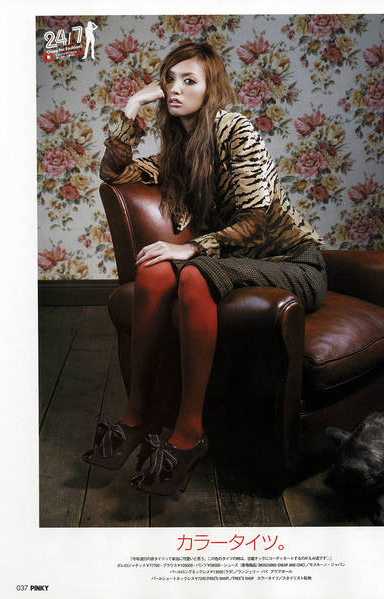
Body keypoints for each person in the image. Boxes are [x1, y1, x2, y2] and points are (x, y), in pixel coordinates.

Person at [83, 41, 328, 496]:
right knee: (153, 269)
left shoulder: (236, 129)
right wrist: (132, 108)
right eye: (169, 80)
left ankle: (189, 433)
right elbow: (114, 174)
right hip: (235, 262)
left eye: (188, 80)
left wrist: (193, 247)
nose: (174, 89)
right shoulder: (179, 152)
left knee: (193, 270)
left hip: (291, 263)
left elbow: (257, 221)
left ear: (210, 88)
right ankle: (137, 415)